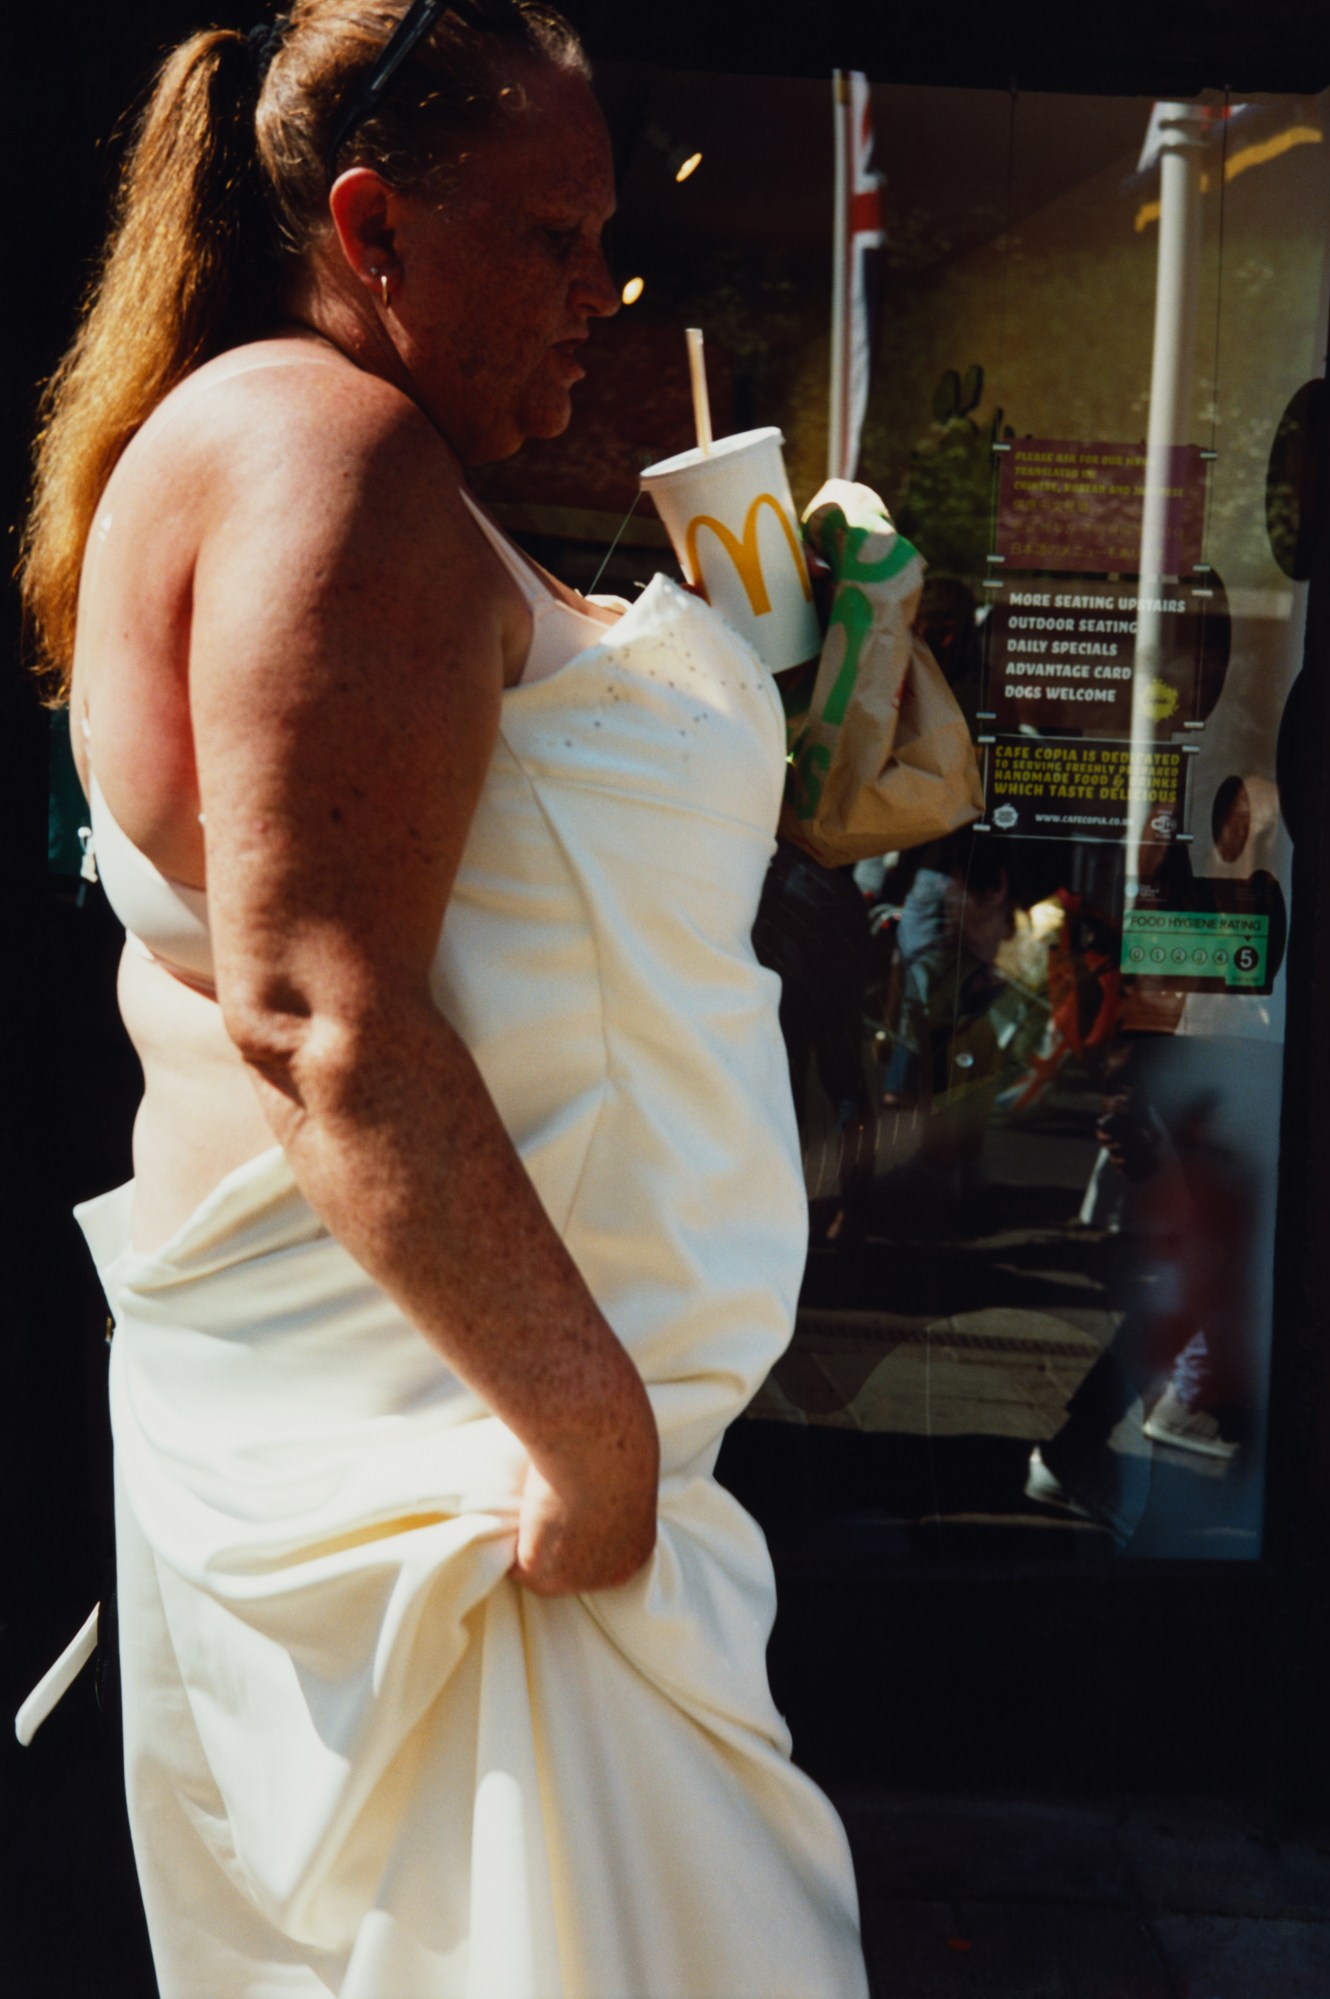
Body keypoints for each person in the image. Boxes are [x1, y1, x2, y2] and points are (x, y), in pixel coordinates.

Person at [20, 4, 868, 1992]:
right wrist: (588, 1440)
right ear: (377, 226)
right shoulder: (334, 450)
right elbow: (324, 1010)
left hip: (461, 1467)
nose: (605, 293)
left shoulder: (298, 446)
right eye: (559, 238)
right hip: (475, 1496)